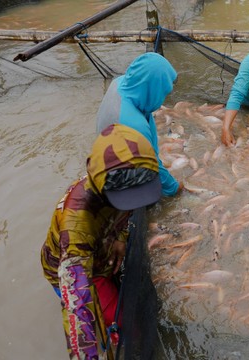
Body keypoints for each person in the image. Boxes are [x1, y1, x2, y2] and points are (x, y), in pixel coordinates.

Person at [40, 124, 168, 359]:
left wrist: (120, 239)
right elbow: (77, 306)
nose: (132, 203)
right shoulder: (76, 224)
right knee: (116, 324)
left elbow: (129, 210)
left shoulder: (122, 185)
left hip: (103, 250)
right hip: (75, 269)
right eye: (125, 200)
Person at [97, 52, 183, 195]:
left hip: (106, 147)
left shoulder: (119, 82)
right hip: (118, 173)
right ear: (154, 89)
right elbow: (154, 169)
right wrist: (175, 188)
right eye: (163, 92)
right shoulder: (135, 127)